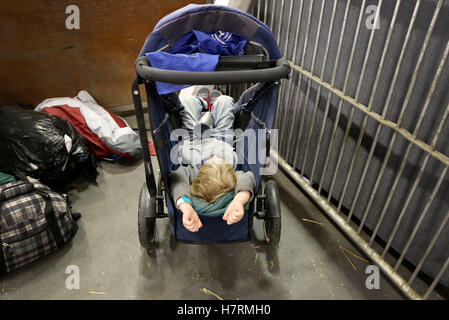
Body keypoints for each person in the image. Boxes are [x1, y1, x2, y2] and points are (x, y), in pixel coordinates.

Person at [169, 87, 255, 233]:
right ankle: (215, 103)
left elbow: (177, 180)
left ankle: (201, 101)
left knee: (187, 102)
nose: (215, 156)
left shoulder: (192, 170)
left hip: (193, 138)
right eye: (220, 161)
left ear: (201, 174)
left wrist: (186, 206)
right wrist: (238, 201)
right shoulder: (232, 177)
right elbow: (248, 179)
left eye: (211, 161)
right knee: (225, 101)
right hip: (223, 139)